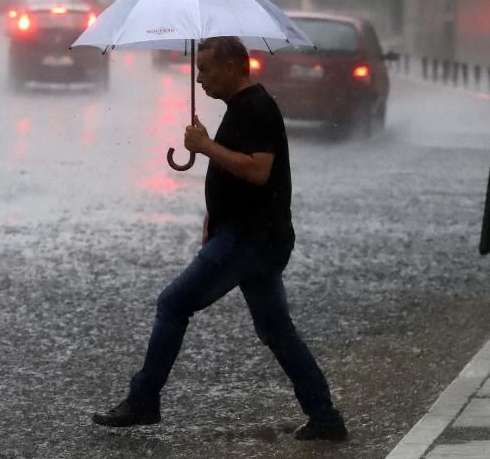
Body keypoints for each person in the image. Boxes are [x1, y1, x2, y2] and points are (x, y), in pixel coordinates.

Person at [91, 36, 347, 442]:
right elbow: (238, 175)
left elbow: (259, 171)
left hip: (251, 238)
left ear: (231, 67)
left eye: (205, 69)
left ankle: (143, 400)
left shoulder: (258, 108)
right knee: (276, 330)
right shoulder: (241, 108)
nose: (199, 79)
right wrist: (215, 215)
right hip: (249, 234)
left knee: (173, 304)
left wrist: (207, 146)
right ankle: (325, 417)